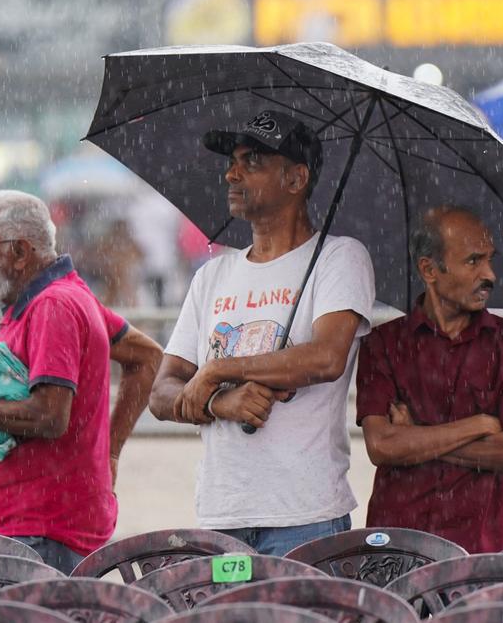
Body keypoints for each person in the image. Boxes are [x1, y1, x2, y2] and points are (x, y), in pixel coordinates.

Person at [149, 109, 375, 556]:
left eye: (252, 161)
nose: (232, 173)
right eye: (232, 162)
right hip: (221, 515)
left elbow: (327, 358)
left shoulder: (339, 258)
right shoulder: (212, 275)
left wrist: (216, 371)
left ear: (296, 179)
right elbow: (161, 392)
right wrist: (219, 401)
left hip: (304, 516)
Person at [0, 190, 163, 573]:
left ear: (20, 252)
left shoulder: (52, 305)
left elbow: (49, 416)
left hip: (46, 528)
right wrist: (108, 452)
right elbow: (146, 357)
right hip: (43, 524)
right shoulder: (61, 295)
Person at [356, 206, 503, 552]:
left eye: (489, 260)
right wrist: (479, 424)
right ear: (429, 269)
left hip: (487, 545)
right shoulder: (382, 344)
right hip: (400, 546)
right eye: (473, 261)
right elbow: (382, 446)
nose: (490, 274)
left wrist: (417, 438)